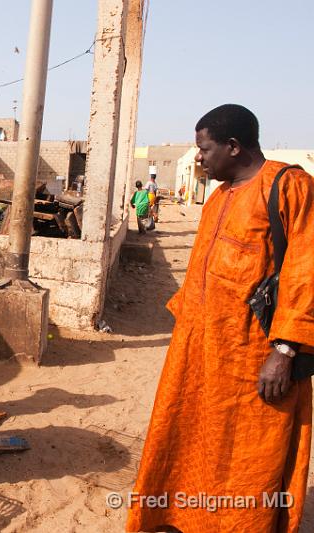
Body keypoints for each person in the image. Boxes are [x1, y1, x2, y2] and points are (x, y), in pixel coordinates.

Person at [126, 104, 314, 532]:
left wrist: (284, 351)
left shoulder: (289, 187)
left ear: (233, 146)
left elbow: (308, 272)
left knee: (248, 453)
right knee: (192, 438)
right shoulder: (218, 198)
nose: (199, 159)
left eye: (204, 149)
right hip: (201, 354)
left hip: (256, 361)